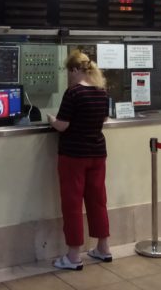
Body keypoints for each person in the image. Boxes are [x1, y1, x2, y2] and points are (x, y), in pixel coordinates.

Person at [47, 50, 111, 270]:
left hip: (73, 156)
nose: (68, 76)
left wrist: (51, 120)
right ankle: (103, 248)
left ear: (75, 70)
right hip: (97, 154)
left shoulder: (74, 93)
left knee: (72, 204)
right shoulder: (101, 91)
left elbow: (62, 125)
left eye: (69, 71)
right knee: (98, 200)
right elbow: (104, 118)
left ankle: (74, 256)